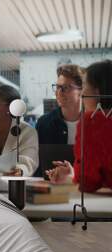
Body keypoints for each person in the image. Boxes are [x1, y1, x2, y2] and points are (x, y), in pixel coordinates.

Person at [47, 60, 112, 193]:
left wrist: (78, 176)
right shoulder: (45, 123)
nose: (83, 94)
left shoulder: (93, 122)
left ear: (97, 92)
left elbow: (88, 183)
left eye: (85, 86)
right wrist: (75, 175)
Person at [36, 64, 83, 145]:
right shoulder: (44, 124)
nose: (59, 93)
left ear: (81, 91)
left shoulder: (96, 124)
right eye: (57, 87)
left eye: (66, 87)